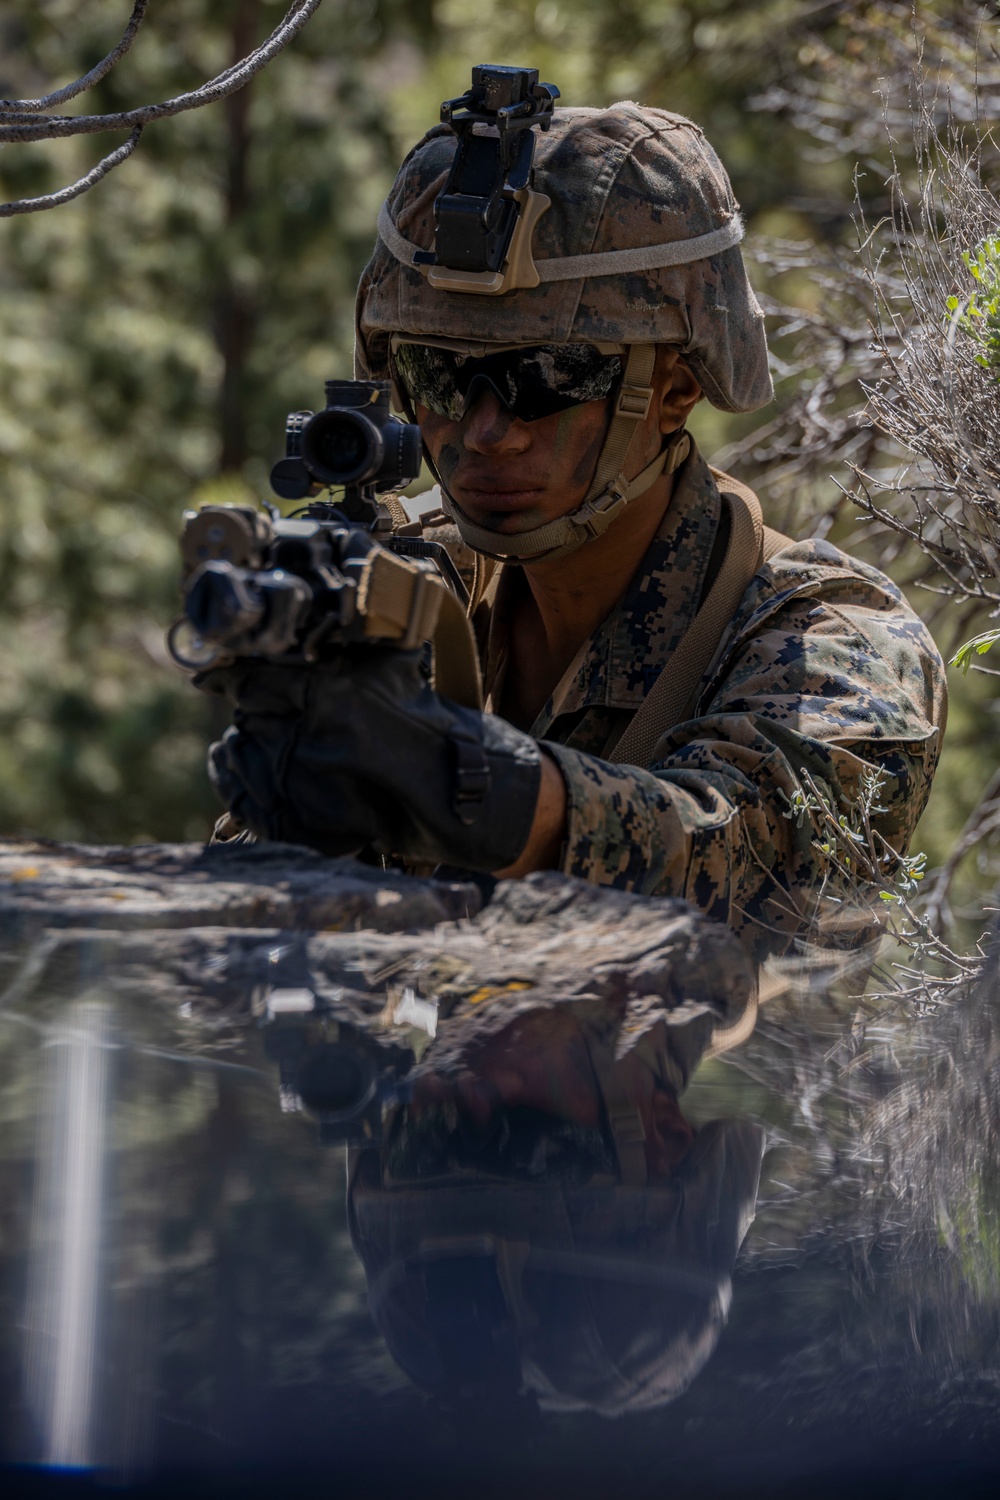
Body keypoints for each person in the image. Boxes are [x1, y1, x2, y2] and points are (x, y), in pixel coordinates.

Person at [204, 85, 946, 961]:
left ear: (675, 387)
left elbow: (754, 855)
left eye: (548, 374)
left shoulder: (836, 642)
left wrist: (487, 793)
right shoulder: (405, 596)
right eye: (440, 375)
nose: (484, 430)